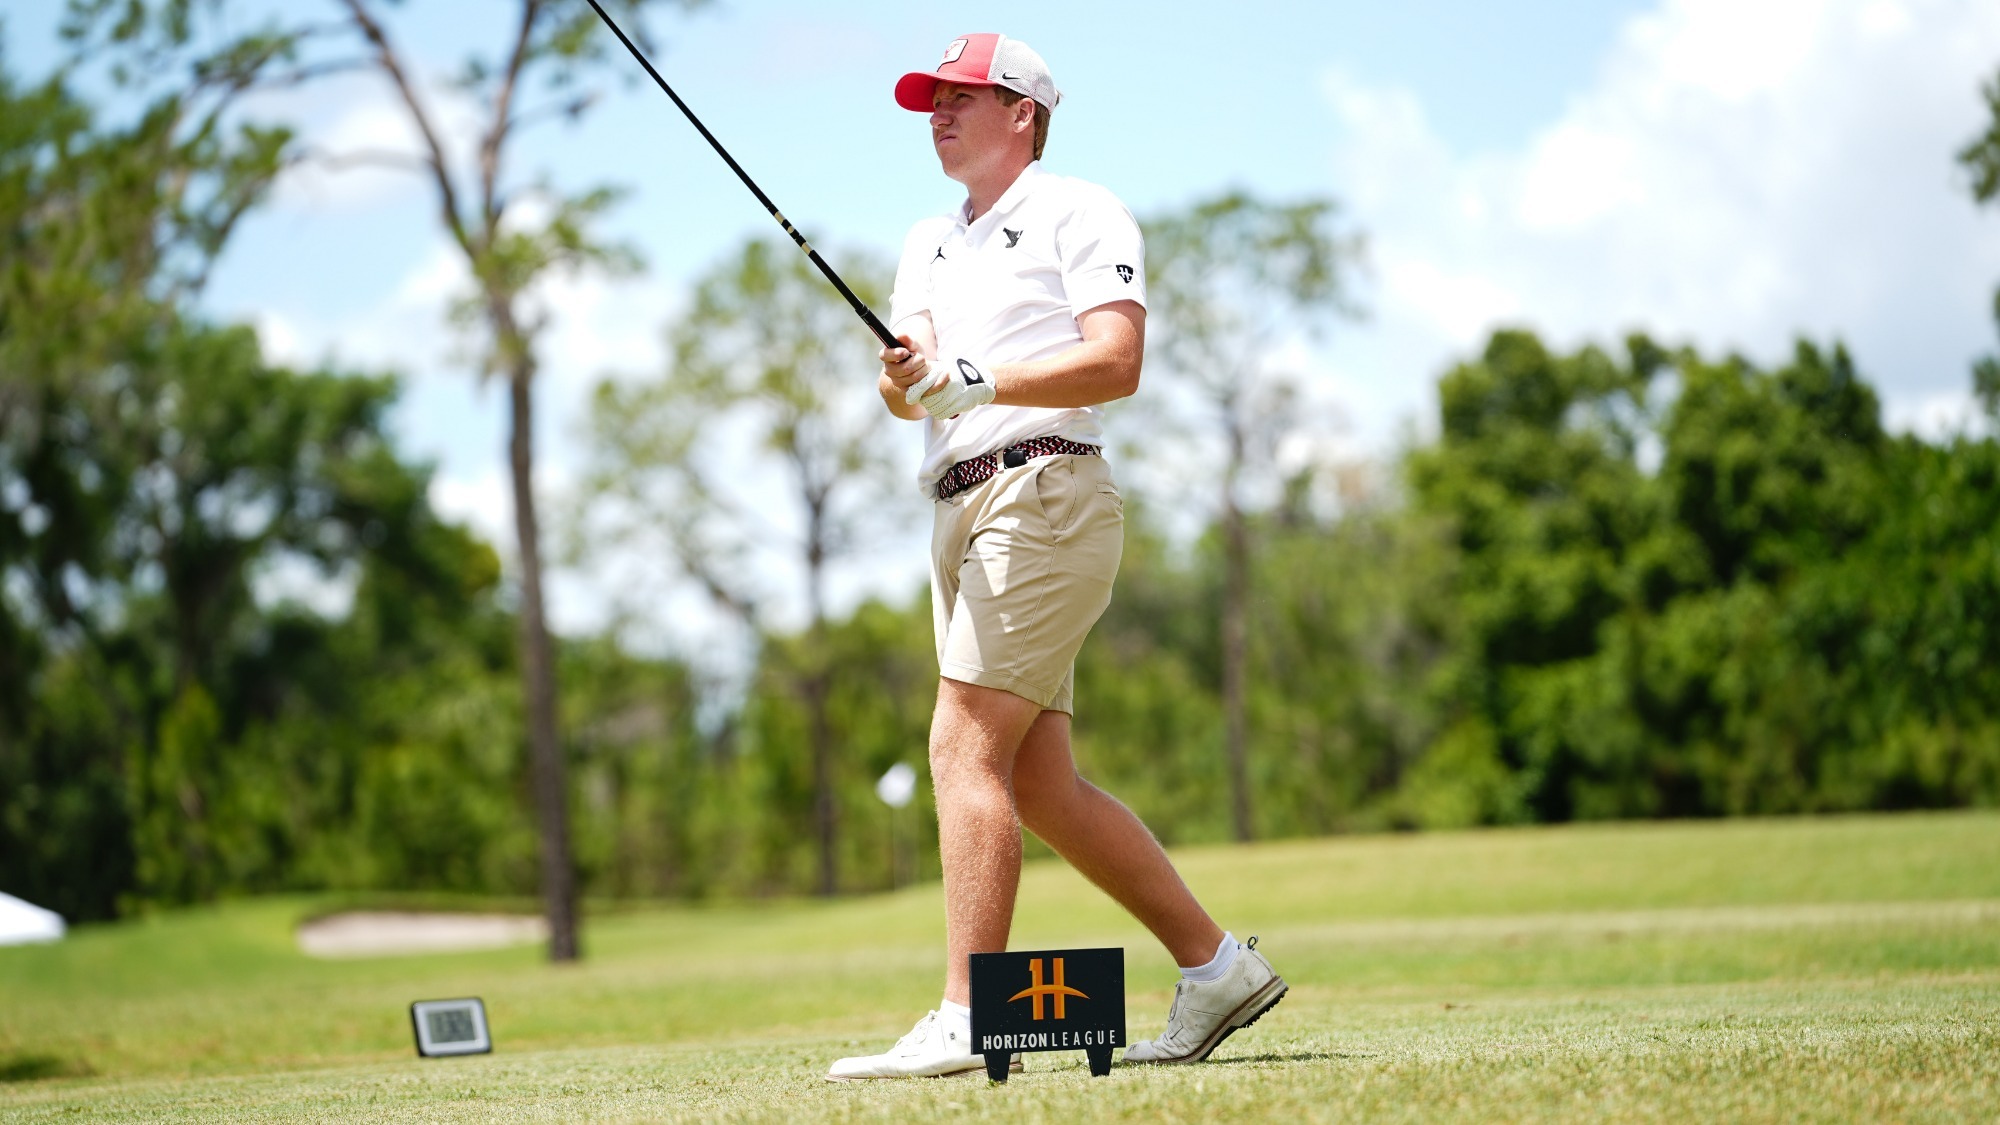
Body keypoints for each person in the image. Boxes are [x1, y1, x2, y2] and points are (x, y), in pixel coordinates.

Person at [824, 34, 1286, 1082]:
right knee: (1037, 785)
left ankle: (964, 1014)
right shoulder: (925, 241)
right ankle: (1215, 966)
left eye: (959, 98)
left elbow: (1116, 360)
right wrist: (911, 376)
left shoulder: (1080, 209)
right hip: (957, 505)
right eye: (929, 101)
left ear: (1020, 111)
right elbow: (905, 390)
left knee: (960, 750)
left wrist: (977, 382)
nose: (936, 114)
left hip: (1043, 489)